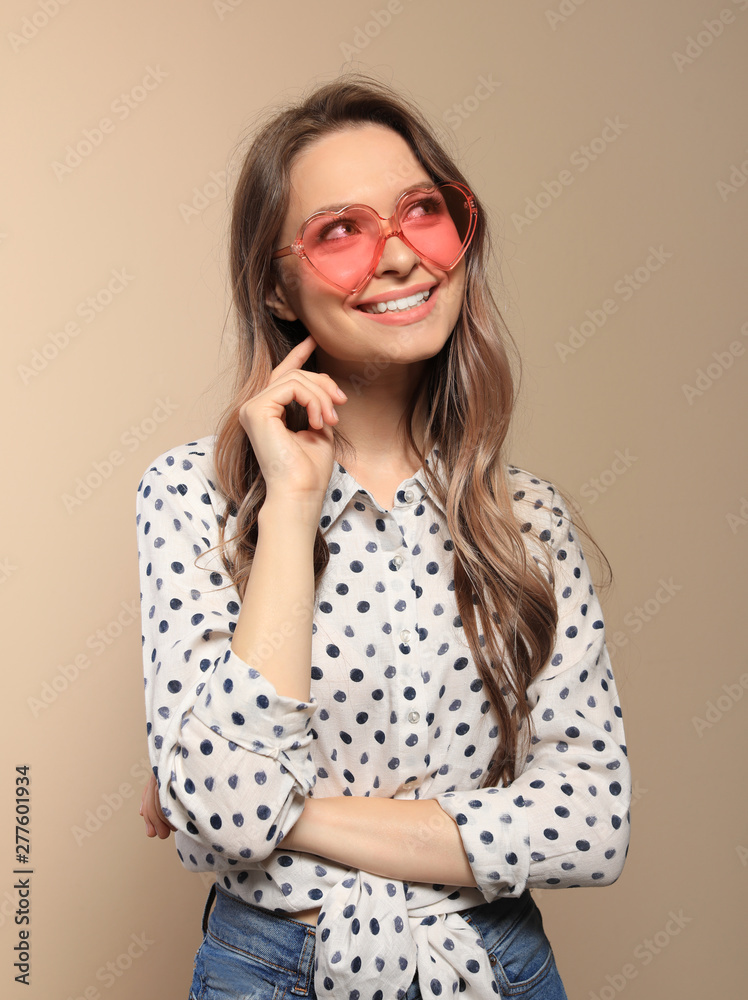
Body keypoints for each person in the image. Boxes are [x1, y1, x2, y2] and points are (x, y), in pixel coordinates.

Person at [136, 73, 631, 1000]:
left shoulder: (528, 520)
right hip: (271, 970)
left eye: (422, 213)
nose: (399, 256)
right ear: (277, 286)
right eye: (340, 231)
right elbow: (229, 817)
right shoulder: (192, 498)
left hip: (495, 966)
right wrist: (290, 502)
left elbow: (592, 824)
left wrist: (289, 812)